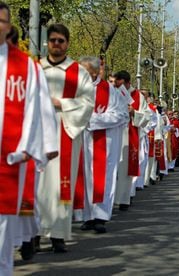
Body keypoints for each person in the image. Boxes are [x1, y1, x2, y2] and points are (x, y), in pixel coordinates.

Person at [0, 2, 55, 273]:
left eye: (2, 21)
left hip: (10, 157)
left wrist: (35, 148)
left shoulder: (26, 68)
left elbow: (39, 110)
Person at [37, 23, 95, 253]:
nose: (57, 44)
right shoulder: (35, 68)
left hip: (65, 130)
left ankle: (58, 235)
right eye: (53, 40)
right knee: (36, 186)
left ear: (67, 43)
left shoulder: (78, 72)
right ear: (47, 42)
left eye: (61, 41)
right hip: (37, 132)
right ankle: (31, 234)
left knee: (61, 185)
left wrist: (61, 103)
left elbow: (88, 103)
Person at [78, 56, 128, 233]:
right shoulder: (75, 88)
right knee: (84, 178)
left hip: (104, 141)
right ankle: (87, 216)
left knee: (103, 178)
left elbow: (121, 115)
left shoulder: (109, 91)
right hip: (80, 140)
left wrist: (92, 120)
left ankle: (100, 216)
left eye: (85, 69)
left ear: (93, 71)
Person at [113, 70, 151, 211]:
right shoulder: (113, 92)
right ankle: (108, 200)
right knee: (112, 168)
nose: (120, 87)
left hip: (129, 134)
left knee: (125, 168)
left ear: (128, 83)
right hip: (113, 131)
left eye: (122, 84)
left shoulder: (138, 96)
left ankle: (124, 198)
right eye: (117, 84)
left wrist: (133, 112)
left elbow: (147, 116)